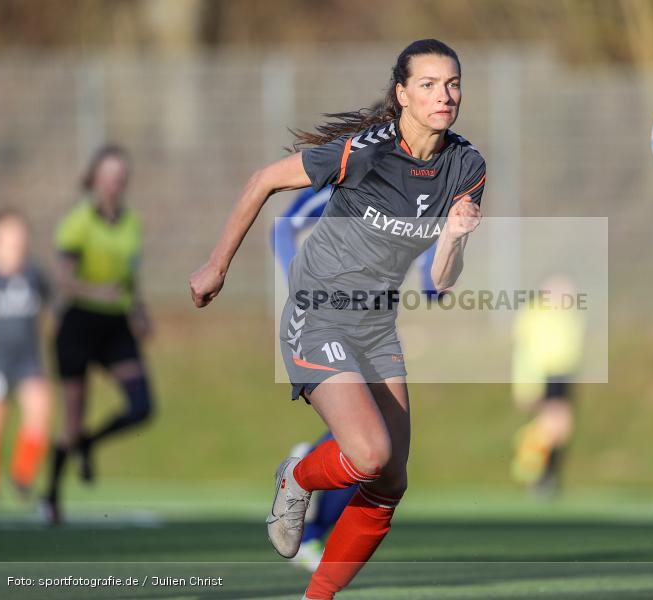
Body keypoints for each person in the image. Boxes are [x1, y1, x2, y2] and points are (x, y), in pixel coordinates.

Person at [190, 39, 485, 600]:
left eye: (452, 84)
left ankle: (316, 597)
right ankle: (297, 476)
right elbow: (263, 180)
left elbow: (442, 279)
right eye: (428, 84)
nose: (444, 95)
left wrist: (452, 237)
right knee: (369, 454)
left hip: (376, 326)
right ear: (402, 94)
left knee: (390, 480)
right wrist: (216, 265)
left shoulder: (466, 165)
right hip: (318, 313)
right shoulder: (366, 152)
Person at [272, 187, 445, 573]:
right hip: (323, 323)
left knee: (379, 451)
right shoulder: (352, 182)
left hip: (375, 330)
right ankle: (308, 507)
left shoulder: (429, 200)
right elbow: (283, 227)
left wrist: (449, 250)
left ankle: (312, 489)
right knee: (368, 448)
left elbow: (433, 285)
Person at [43, 145, 155, 524]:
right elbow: (63, 279)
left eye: (120, 178)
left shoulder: (131, 222)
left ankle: (89, 443)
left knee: (141, 406)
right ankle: (51, 495)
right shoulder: (79, 222)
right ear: (93, 179)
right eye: (107, 177)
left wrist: (139, 312)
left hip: (115, 326)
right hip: (79, 324)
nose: (113, 185)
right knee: (71, 420)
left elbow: (130, 277)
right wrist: (97, 292)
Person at [0, 209, 52, 501]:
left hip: (28, 358)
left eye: (19, 235)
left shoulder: (33, 275)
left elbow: (54, 302)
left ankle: (22, 477)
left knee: (40, 409)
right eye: (9, 234)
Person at [510, 275, 585, 497]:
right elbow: (525, 352)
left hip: (564, 374)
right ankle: (534, 466)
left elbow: (572, 348)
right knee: (553, 425)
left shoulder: (570, 315)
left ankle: (546, 474)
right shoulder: (535, 314)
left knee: (561, 428)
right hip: (544, 375)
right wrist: (525, 385)